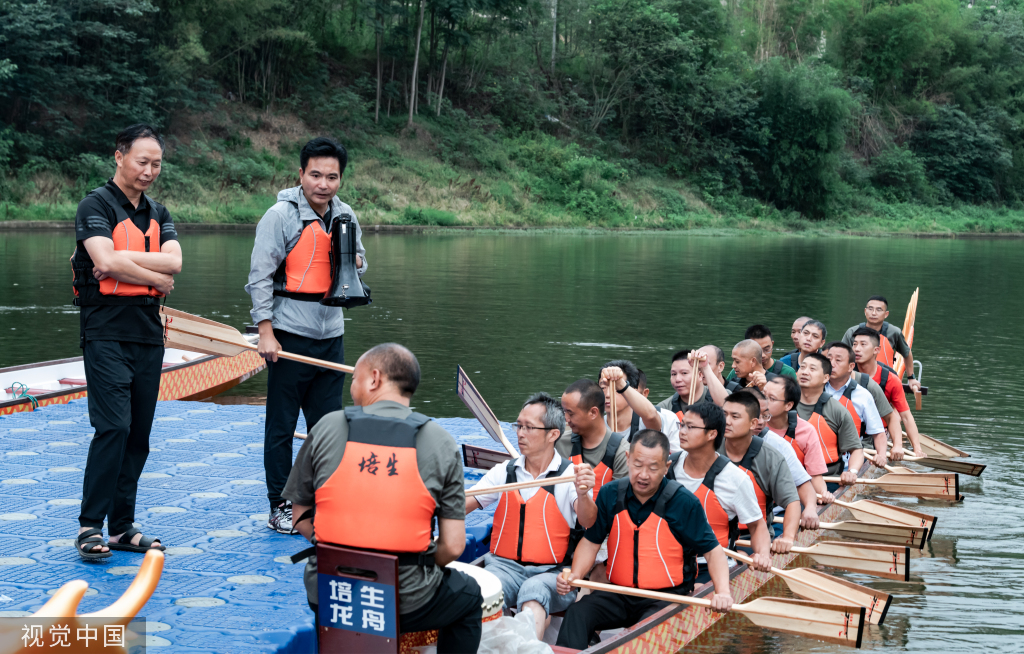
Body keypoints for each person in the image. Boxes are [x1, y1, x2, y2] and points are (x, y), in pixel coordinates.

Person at [285, 344, 482, 653]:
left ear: (374, 379)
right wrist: (418, 565)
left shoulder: (326, 427)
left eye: (355, 378)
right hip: (408, 597)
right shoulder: (441, 441)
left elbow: (300, 515)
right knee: (469, 597)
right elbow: (454, 545)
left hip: (330, 590)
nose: (351, 387)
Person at [246, 137, 368, 534]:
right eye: (315, 174)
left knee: (329, 426)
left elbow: (360, 266)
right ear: (301, 175)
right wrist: (266, 332)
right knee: (280, 427)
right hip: (288, 335)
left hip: (331, 333)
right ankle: (278, 504)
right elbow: (260, 278)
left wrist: (354, 258)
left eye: (332, 176)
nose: (323, 183)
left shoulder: (345, 214)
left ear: (340, 179)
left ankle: (323, 500)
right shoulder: (279, 216)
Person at [70, 124, 181, 560]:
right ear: (119, 157)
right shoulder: (94, 205)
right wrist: (156, 276)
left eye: (156, 164)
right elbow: (104, 259)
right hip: (104, 330)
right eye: (141, 161)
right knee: (112, 426)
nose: (149, 171)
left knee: (138, 433)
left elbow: (176, 261)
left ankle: (121, 527)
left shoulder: (159, 211)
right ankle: (88, 526)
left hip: (148, 334)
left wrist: (122, 263)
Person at [554, 431, 733, 650]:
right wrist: (575, 576)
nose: (643, 475)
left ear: (666, 467)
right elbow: (591, 541)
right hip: (619, 592)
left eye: (653, 468)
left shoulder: (684, 502)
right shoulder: (610, 493)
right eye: (637, 465)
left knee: (642, 633)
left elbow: (713, 551)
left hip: (666, 597)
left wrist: (723, 592)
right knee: (578, 612)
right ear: (628, 459)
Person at [466, 393, 597, 639]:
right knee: (485, 591)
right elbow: (463, 505)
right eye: (518, 425)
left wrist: (584, 494)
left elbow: (589, 521)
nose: (520, 433)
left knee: (534, 590)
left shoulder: (569, 475)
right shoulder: (505, 471)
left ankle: (528, 648)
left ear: (553, 434)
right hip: (503, 567)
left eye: (529, 427)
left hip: (554, 573)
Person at [666, 402, 772, 577]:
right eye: (682, 425)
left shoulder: (735, 479)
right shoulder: (668, 467)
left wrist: (762, 555)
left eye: (690, 427)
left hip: (713, 565)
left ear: (712, 434)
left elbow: (757, 526)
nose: (682, 431)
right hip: (667, 559)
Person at [718, 393, 803, 553]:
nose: (727, 421)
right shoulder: (708, 449)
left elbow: (792, 502)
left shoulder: (772, 457)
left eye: (735, 417)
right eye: (724, 415)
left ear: (753, 423)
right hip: (713, 540)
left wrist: (788, 537)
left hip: (753, 539)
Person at [795, 354, 865, 490]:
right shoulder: (783, 404)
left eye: (812, 369)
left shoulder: (838, 411)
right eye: (802, 367)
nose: (804, 372)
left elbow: (856, 449)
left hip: (827, 479)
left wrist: (852, 472)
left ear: (826, 378)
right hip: (788, 479)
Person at [850, 327, 922, 457]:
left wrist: (916, 450)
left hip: (876, 434)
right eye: (854, 344)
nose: (857, 349)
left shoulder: (890, 380)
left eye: (863, 344)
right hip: (849, 431)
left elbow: (905, 416)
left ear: (876, 350)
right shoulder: (843, 374)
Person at [762, 377, 833, 504]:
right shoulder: (751, 425)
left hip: (790, 500)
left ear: (788, 405)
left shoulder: (806, 431)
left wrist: (823, 494)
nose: (763, 402)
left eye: (771, 399)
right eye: (762, 395)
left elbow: (815, 475)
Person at [557, 379, 630, 498]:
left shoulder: (622, 452)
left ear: (593, 413)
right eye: (564, 412)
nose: (566, 419)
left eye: (571, 414)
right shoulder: (559, 443)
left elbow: (620, 502)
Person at [822, 342, 889, 469]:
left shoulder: (863, 395)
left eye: (838, 360)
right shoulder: (812, 390)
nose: (831, 364)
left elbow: (878, 433)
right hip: (818, 458)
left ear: (850, 366)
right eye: (828, 359)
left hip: (849, 460)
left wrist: (881, 455)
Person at [842, 296, 921, 390]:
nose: (874, 313)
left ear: (886, 314)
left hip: (885, 382)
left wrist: (911, 378)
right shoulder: (852, 332)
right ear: (865, 311)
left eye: (879, 310)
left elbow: (907, 354)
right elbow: (841, 355)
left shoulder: (894, 332)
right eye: (870, 309)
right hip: (856, 380)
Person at [599, 360, 680, 451]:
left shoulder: (667, 418)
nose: (608, 394)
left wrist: (622, 385)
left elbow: (651, 416)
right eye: (603, 388)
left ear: (632, 390)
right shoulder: (595, 426)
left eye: (617, 388)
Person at [726, 325, 797, 382]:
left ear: (772, 344)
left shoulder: (787, 372)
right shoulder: (738, 371)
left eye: (766, 349)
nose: (762, 355)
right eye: (758, 350)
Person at [657, 349, 714, 415]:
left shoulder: (718, 397)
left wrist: (706, 367)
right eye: (673, 374)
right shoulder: (664, 408)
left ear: (700, 375)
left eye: (684, 373)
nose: (677, 379)